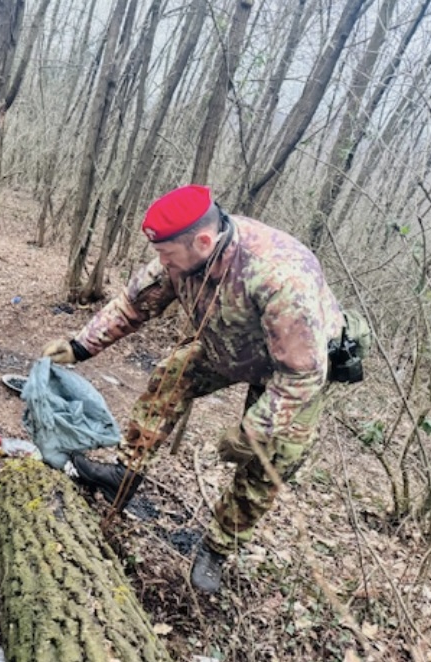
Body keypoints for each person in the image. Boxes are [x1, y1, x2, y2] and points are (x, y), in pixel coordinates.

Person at [43, 185, 370, 594]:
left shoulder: (280, 276)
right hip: (228, 344)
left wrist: (254, 431)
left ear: (203, 241)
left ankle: (217, 548)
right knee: (170, 376)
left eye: (167, 254)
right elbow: (133, 304)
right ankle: (123, 476)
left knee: (271, 460)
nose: (161, 263)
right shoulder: (180, 257)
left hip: (293, 373)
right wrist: (81, 345)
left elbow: (301, 374)